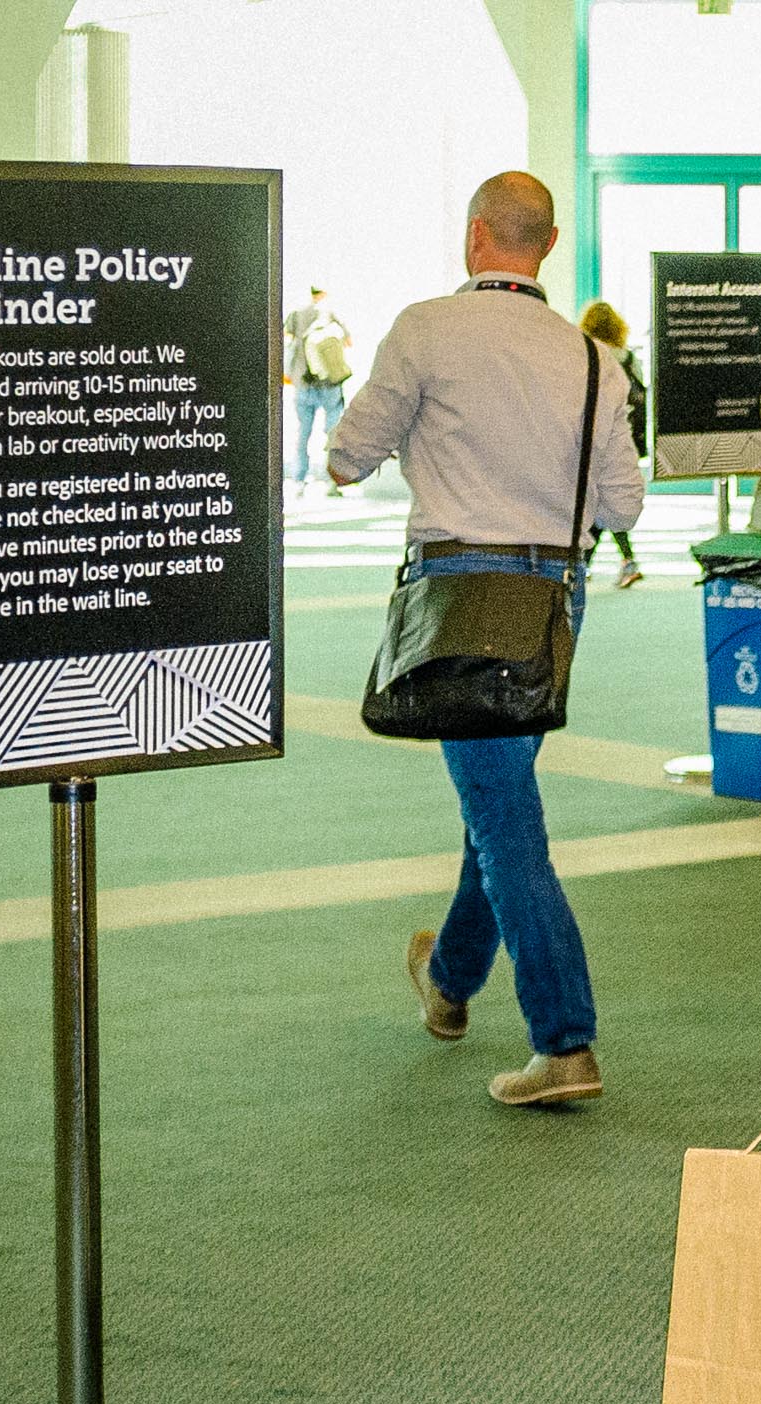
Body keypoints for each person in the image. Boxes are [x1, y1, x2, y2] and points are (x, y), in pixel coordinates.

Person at [327, 172, 645, 1106]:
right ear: (544, 246)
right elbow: (623, 501)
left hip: (459, 602)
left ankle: (566, 1040)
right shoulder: (596, 360)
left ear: (475, 238)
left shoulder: (425, 328)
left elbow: (347, 458)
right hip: (552, 601)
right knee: (497, 798)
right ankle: (452, 982)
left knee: (507, 823)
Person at [578, 301, 648, 588]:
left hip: (593, 438)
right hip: (625, 437)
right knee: (614, 499)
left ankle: (584, 564)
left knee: (592, 500)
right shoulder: (629, 359)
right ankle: (622, 561)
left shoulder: (585, 354)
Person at [283, 285, 352, 494]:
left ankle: (299, 482)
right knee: (332, 433)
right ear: (323, 294)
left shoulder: (296, 315)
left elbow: (286, 342)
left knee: (303, 433)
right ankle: (333, 481)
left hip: (303, 383)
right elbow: (348, 342)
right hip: (330, 384)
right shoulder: (329, 314)